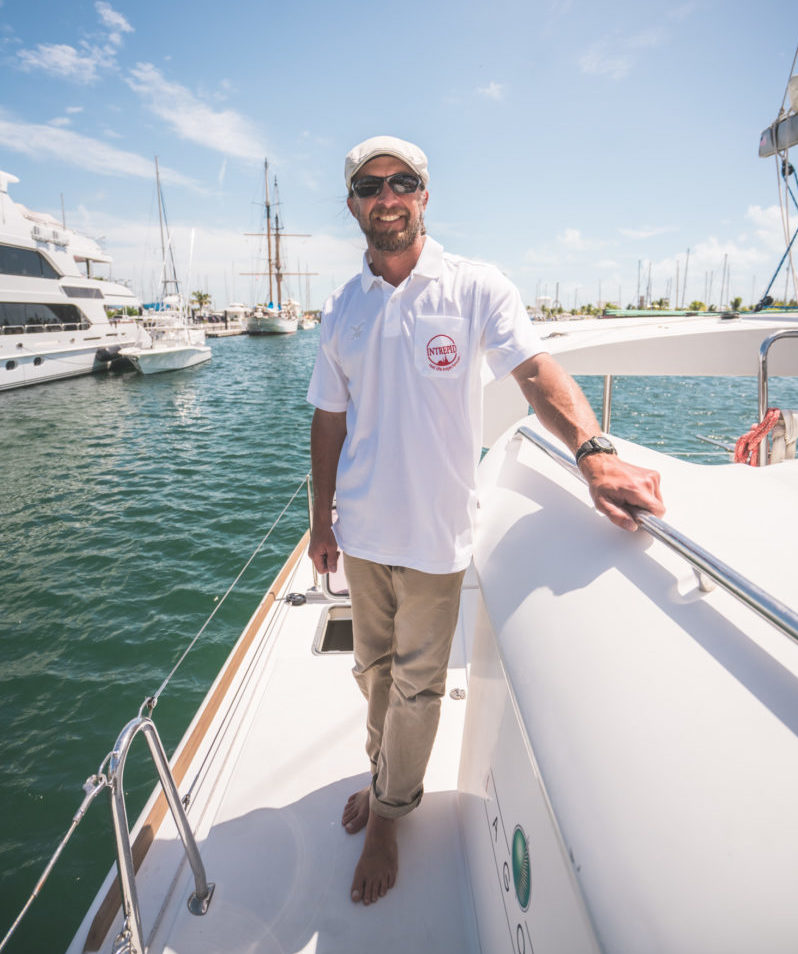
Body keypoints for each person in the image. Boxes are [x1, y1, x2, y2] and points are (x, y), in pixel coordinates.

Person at [306, 135, 665, 907]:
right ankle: (384, 779)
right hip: (362, 536)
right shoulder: (343, 306)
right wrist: (321, 521)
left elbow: (535, 372)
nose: (387, 196)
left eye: (403, 182)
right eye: (371, 186)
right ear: (353, 205)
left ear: (425, 197)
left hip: (436, 538)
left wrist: (592, 450)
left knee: (416, 689)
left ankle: (390, 814)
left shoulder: (473, 287)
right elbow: (328, 422)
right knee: (373, 675)